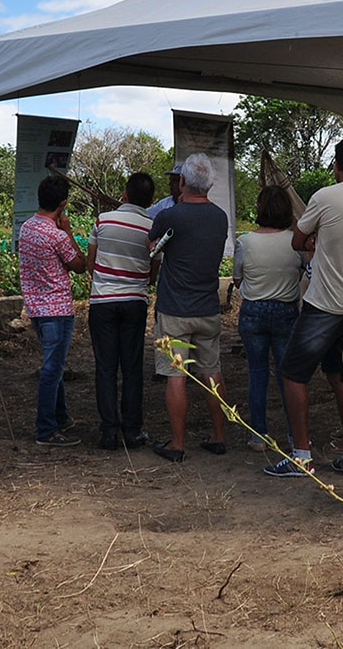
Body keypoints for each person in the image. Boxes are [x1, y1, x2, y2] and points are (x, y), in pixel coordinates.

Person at [264, 137, 343, 479]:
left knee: (293, 373)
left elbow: (298, 241)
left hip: (325, 303)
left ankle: (301, 455)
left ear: (337, 166)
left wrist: (317, 240)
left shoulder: (324, 197)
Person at [149, 153, 230, 462]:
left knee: (175, 375)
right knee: (213, 372)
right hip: (208, 307)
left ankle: (177, 443)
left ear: (182, 182)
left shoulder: (171, 216)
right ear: (209, 184)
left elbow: (152, 247)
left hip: (175, 310)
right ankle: (218, 436)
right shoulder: (220, 216)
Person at [234, 186, 305, 451]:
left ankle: (258, 435)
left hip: (253, 312)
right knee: (287, 376)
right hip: (286, 312)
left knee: (257, 373)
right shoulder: (294, 241)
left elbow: (237, 278)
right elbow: (300, 272)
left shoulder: (245, 241)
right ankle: (292, 434)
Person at [87, 171, 155, 450]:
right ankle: (132, 429)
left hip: (102, 302)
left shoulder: (103, 220)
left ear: (125, 195)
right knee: (132, 367)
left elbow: (91, 264)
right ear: (150, 200)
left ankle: (108, 432)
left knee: (105, 367)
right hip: (135, 302)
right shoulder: (152, 226)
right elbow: (153, 271)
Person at [18, 174, 87, 447]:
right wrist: (68, 231)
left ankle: (61, 416)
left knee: (53, 366)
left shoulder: (26, 228)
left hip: (36, 308)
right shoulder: (56, 235)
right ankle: (46, 428)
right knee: (52, 369)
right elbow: (80, 264)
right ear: (63, 204)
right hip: (57, 309)